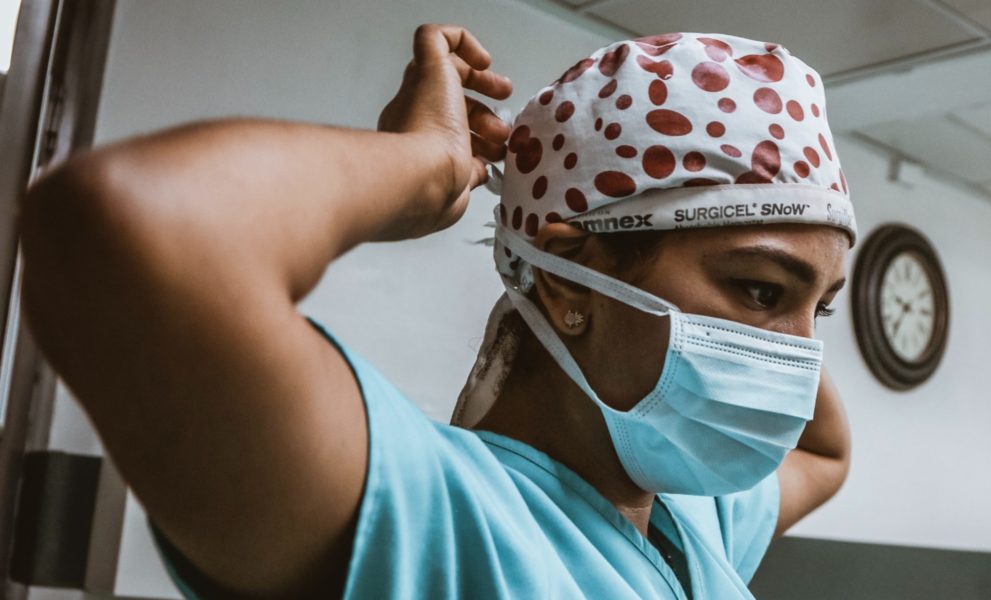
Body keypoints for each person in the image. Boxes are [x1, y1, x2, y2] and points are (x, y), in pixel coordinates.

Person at [19, 23, 855, 599]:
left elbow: (824, 450)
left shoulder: (688, 523)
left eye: (821, 309)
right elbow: (128, 228)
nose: (799, 355)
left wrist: (793, 247)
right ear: (567, 285)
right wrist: (422, 166)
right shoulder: (434, 524)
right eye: (760, 291)